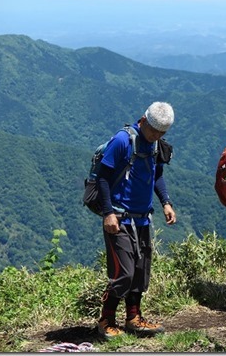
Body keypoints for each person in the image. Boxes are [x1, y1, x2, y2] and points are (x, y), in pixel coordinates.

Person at [96, 102, 177, 339]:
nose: (156, 136)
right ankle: (106, 320)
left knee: (141, 273)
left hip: (143, 219)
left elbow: (157, 175)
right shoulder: (123, 140)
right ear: (143, 120)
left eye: (162, 133)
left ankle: (133, 318)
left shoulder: (155, 145)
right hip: (119, 218)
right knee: (124, 273)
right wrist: (108, 213)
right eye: (153, 131)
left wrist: (166, 202)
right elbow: (102, 178)